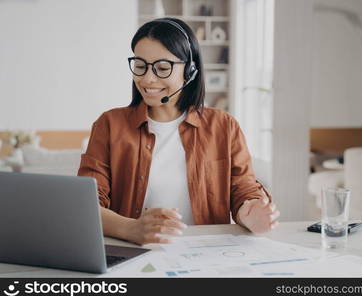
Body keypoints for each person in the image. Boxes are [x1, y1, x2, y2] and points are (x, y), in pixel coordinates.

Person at [78, 17, 279, 245]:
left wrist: (249, 212)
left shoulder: (224, 126)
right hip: (132, 255)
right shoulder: (109, 124)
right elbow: (86, 203)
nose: (148, 79)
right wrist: (131, 229)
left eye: (163, 68)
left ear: (190, 71)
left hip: (206, 256)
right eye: (140, 66)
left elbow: (243, 189)